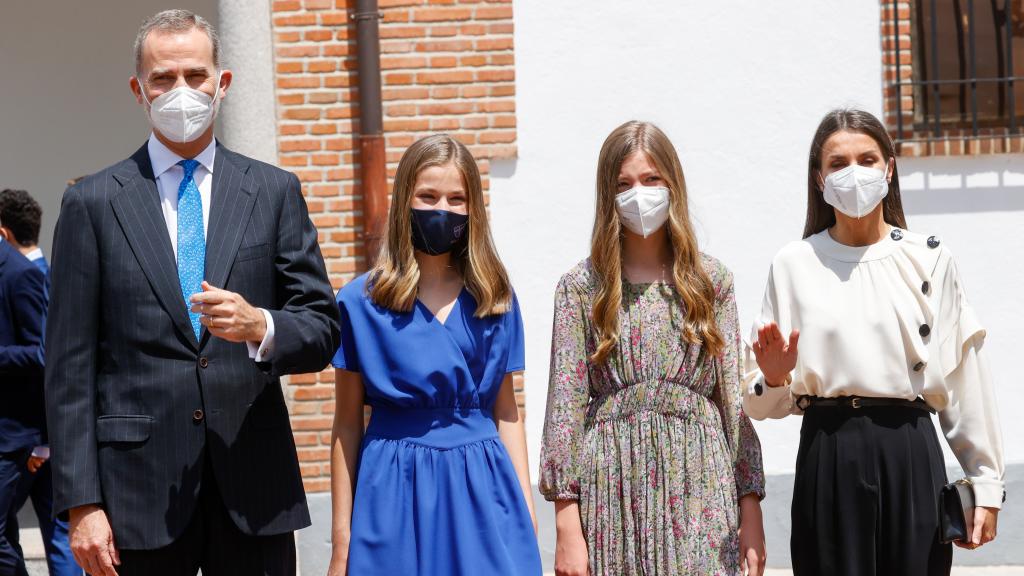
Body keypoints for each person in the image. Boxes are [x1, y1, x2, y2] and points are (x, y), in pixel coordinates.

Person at [44, 10, 339, 576]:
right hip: (137, 498)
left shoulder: (273, 191)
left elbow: (322, 326)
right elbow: (68, 368)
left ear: (221, 84)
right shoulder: (94, 204)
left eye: (196, 75)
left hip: (254, 489)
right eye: (163, 78)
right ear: (139, 90)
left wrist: (263, 327)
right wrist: (82, 504)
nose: (181, 90)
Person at [743, 108, 1004, 576]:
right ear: (819, 179)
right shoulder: (794, 264)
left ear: (889, 168)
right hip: (829, 451)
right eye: (838, 163)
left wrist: (985, 484)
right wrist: (775, 377)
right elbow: (760, 405)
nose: (854, 173)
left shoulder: (929, 259)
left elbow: (964, 377)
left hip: (910, 452)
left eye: (867, 159)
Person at [539, 121, 766, 576]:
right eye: (623, 184)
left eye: (650, 180)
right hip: (612, 485)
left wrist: (752, 506)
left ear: (672, 185)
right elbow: (564, 408)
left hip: (700, 478)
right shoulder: (582, 288)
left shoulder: (710, 282)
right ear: (607, 195)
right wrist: (566, 524)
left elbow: (732, 401)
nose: (637, 193)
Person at [327, 134, 542, 576]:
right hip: (392, 488)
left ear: (472, 209)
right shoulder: (358, 303)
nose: (442, 207)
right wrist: (341, 540)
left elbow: (507, 411)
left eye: (456, 198)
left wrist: (526, 509)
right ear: (405, 198)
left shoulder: (495, 298)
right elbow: (346, 424)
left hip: (483, 486)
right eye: (428, 195)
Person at [0, 189, 80, 576]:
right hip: (26, 436)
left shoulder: (26, 275)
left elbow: (47, 357)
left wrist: (44, 441)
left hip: (29, 437)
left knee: (59, 532)